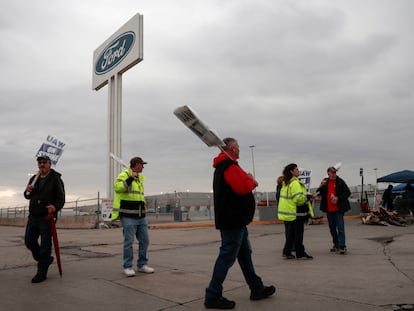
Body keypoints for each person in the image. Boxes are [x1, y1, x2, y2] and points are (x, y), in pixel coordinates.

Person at [204, 137, 275, 309]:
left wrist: (249, 179)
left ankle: (256, 288)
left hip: (236, 220)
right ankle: (213, 295)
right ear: (233, 149)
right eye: (238, 147)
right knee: (227, 256)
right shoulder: (228, 166)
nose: (240, 150)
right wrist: (252, 181)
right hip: (233, 220)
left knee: (244, 254)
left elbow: (242, 183)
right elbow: (242, 187)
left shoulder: (229, 165)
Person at [23, 155, 65, 283]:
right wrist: (27, 191)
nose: (42, 165)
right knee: (29, 241)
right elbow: (27, 196)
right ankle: (44, 258)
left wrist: (55, 207)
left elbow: (61, 199)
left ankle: (41, 273)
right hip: (33, 216)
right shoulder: (34, 178)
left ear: (49, 164)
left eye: (44, 162)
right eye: (40, 163)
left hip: (47, 217)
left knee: (46, 245)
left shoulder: (55, 179)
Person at [112, 156, 154, 277]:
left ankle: (142, 265)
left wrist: (144, 204)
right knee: (129, 242)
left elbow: (139, 195)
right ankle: (128, 266)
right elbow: (118, 188)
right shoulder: (124, 174)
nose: (143, 167)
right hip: (128, 215)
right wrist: (130, 178)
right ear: (136, 165)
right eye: (142, 164)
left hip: (141, 215)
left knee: (145, 241)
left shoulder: (140, 179)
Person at [277, 163, 314, 260]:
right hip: (295, 213)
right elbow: (298, 199)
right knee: (298, 234)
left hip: (288, 213)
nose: (299, 171)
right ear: (291, 172)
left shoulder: (285, 184)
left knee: (290, 235)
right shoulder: (295, 184)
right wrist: (308, 197)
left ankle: (287, 252)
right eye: (296, 169)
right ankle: (300, 253)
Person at [316, 166, 351, 254]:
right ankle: (336, 244)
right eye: (332, 173)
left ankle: (342, 246)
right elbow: (318, 192)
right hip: (329, 209)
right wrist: (321, 185)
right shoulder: (325, 182)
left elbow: (348, 192)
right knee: (332, 229)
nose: (334, 174)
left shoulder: (340, 181)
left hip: (338, 209)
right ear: (328, 173)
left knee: (340, 228)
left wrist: (338, 198)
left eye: (335, 172)